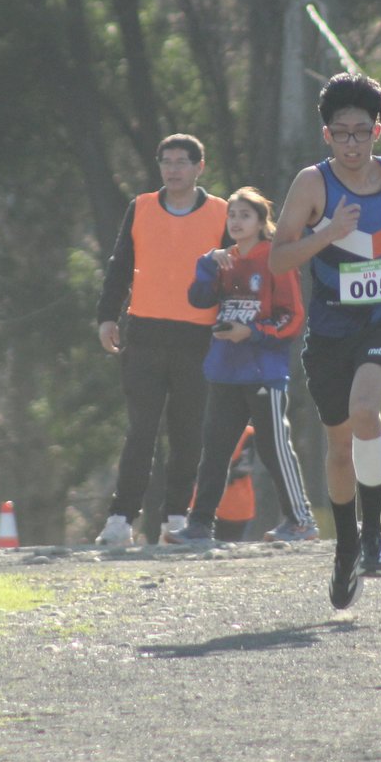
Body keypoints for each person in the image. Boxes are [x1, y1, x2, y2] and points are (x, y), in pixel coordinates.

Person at [270, 73, 381, 609]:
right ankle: (346, 547)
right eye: (340, 133)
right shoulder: (313, 184)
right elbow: (279, 257)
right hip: (329, 330)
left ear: (378, 130)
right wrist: (324, 234)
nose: (352, 143)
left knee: (366, 409)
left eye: (360, 132)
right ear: (327, 136)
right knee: (339, 446)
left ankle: (374, 537)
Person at [94, 134, 230, 545]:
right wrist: (106, 317)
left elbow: (235, 277)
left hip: (198, 336)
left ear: (199, 167)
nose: (173, 169)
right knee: (141, 430)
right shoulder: (142, 208)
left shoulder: (222, 214)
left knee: (188, 432)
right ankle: (121, 519)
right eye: (166, 161)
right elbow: (121, 265)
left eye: (182, 162)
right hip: (145, 333)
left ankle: (175, 517)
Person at [167, 187, 317, 546]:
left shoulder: (274, 259)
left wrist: (251, 332)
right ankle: (199, 525)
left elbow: (293, 319)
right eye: (231, 215)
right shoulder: (223, 260)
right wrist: (206, 264)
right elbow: (198, 299)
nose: (236, 222)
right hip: (224, 370)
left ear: (261, 221)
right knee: (216, 450)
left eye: (244, 216)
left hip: (263, 371)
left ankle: (300, 520)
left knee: (273, 447)